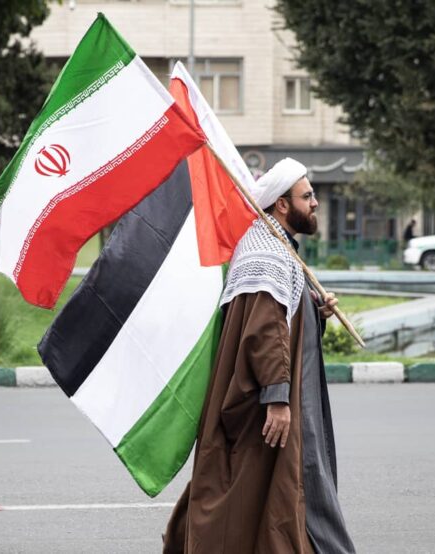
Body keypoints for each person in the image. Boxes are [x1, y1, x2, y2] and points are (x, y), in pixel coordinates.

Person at [163, 158, 356, 553]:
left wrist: (313, 313)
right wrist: (276, 398)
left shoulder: (276, 247)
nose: (315, 202)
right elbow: (264, 331)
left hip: (282, 398)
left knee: (259, 494)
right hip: (267, 406)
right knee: (265, 491)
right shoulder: (266, 253)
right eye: (307, 196)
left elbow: (280, 323)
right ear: (282, 205)